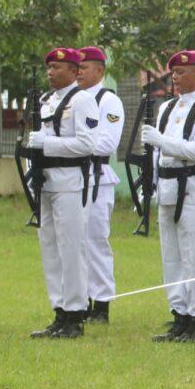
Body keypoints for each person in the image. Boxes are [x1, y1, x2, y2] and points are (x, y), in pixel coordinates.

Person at [144, 50, 195, 343]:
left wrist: (162, 142)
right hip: (168, 188)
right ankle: (179, 315)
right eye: (174, 73)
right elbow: (158, 157)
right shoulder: (167, 107)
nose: (176, 77)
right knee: (172, 259)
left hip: (194, 191)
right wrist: (151, 183)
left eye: (182, 72)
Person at [27, 48, 100, 340]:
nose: (50, 72)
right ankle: (59, 310)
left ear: (73, 70)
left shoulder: (82, 101)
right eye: (49, 67)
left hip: (69, 181)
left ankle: (75, 313)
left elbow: (87, 144)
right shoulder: (46, 100)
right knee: (50, 249)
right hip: (46, 181)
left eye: (57, 67)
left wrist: (47, 143)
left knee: (71, 249)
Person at [76, 47, 124, 324]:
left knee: (95, 241)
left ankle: (101, 303)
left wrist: (71, 146)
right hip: (73, 176)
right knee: (75, 242)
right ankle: (80, 300)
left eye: (84, 67)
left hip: (97, 176)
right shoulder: (74, 99)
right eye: (77, 67)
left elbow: (107, 142)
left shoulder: (108, 101)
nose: (79, 72)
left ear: (100, 71)